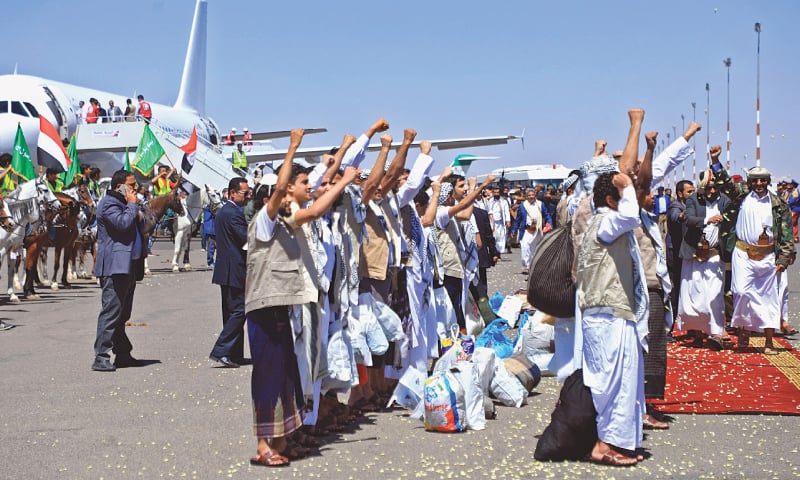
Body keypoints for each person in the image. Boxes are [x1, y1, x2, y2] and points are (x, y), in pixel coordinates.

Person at [577, 109, 646, 466]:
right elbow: (631, 217)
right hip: (606, 316)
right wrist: (627, 185)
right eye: (618, 195)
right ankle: (605, 446)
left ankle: (615, 442)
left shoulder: (603, 222)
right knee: (612, 385)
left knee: (622, 382)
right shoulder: (606, 223)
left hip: (610, 313)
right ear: (609, 200)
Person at [718, 160, 796, 355]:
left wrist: (783, 260)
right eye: (755, 180)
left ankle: (769, 341)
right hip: (743, 254)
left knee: (768, 299)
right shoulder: (741, 196)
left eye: (763, 180)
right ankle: (744, 330)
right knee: (741, 293)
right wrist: (715, 162)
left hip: (768, 257)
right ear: (750, 182)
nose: (759, 184)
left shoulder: (779, 204)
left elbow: (786, 234)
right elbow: (725, 184)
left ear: (768, 181)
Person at [91, 169, 145, 371]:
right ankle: (101, 356)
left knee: (122, 314)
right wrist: (132, 206)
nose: (135, 188)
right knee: (111, 312)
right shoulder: (108, 204)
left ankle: (122, 353)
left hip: (129, 266)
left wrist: (136, 210)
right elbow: (122, 224)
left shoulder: (125, 204)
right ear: (118, 186)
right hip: (114, 267)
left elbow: (141, 222)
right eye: (131, 185)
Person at [676, 160, 730, 350]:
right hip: (695, 253)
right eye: (708, 187)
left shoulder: (724, 200)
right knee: (694, 295)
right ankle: (698, 334)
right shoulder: (693, 200)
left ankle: (715, 334)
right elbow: (689, 219)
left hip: (715, 255)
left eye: (715, 187)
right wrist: (708, 219)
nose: (712, 191)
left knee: (714, 295)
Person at [209, 176, 251, 368]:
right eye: (245, 193)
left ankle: (234, 353)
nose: (248, 196)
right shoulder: (233, 213)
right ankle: (221, 350)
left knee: (231, 311)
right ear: (233, 193)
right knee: (239, 311)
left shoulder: (226, 211)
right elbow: (245, 238)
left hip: (227, 269)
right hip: (234, 268)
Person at [666, 180, 695, 313]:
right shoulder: (676, 206)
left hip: (685, 251)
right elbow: (674, 216)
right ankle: (676, 316)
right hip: (675, 253)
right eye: (689, 191)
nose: (692, 193)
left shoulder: (691, 205)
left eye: (693, 190)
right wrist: (682, 215)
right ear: (680, 193)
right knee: (677, 284)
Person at [510, 187, 553, 275]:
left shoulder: (540, 204)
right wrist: (514, 230)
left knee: (534, 248)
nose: (531, 197)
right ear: (526, 196)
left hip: (537, 230)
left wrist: (550, 223)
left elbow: (547, 214)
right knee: (525, 247)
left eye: (533, 195)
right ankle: (526, 265)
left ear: (535, 196)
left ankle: (533, 266)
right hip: (526, 229)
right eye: (529, 195)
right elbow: (518, 219)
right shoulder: (523, 206)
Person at [488, 186, 511, 254]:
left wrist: (508, 220)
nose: (496, 194)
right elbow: (489, 211)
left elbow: (507, 211)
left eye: (498, 192)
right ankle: (494, 252)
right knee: (494, 237)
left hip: (501, 222)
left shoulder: (504, 201)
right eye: (495, 192)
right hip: (492, 222)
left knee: (501, 237)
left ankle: (500, 252)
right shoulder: (490, 201)